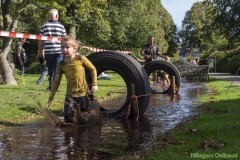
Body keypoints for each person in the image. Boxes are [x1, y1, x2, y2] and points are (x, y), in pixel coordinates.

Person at [47, 35, 98, 123]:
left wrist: (94, 84)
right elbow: (56, 81)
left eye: (67, 47)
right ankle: (69, 133)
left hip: (83, 93)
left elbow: (93, 69)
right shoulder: (61, 64)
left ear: (74, 48)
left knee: (84, 117)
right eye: (62, 47)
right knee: (67, 118)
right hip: (70, 95)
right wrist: (51, 97)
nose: (64, 50)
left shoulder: (80, 59)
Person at [38, 9, 67, 90]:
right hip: (58, 51)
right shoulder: (61, 26)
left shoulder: (44, 26)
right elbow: (65, 39)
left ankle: (51, 85)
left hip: (48, 51)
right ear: (57, 16)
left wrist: (39, 51)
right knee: (57, 69)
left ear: (49, 16)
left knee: (50, 70)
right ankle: (54, 86)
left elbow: (40, 40)